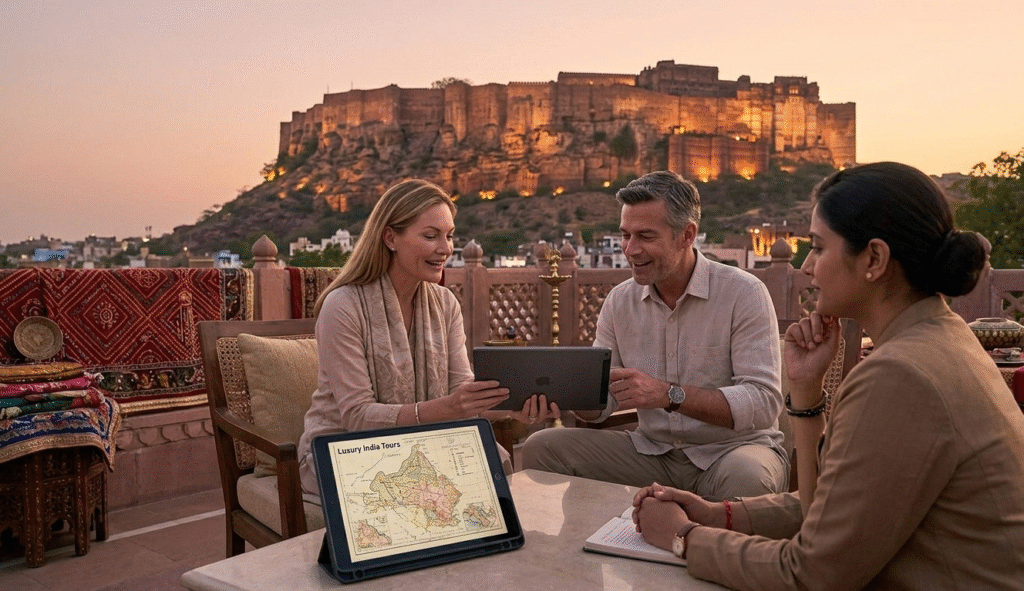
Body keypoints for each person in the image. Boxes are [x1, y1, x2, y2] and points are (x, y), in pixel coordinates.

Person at [631, 162, 1024, 590]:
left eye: (818, 247)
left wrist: (685, 538)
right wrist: (720, 514)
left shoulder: (900, 374)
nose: (806, 267)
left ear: (874, 258)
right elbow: (836, 512)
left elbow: (814, 573)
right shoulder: (942, 339)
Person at [521, 170, 788, 501]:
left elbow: (763, 403)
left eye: (645, 237)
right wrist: (570, 398)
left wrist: (669, 395)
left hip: (731, 453)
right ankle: (584, 551)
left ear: (686, 235)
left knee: (748, 479)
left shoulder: (743, 293)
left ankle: (711, 551)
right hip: (651, 455)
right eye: (625, 235)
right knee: (542, 448)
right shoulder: (620, 302)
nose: (630, 250)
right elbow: (601, 407)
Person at [297, 179, 557, 499]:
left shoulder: (445, 304)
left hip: (421, 446)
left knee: (490, 484)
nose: (446, 249)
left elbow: (461, 396)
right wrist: (447, 407)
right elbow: (358, 416)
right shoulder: (343, 306)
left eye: (449, 236)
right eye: (431, 236)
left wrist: (509, 409)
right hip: (346, 451)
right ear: (390, 237)